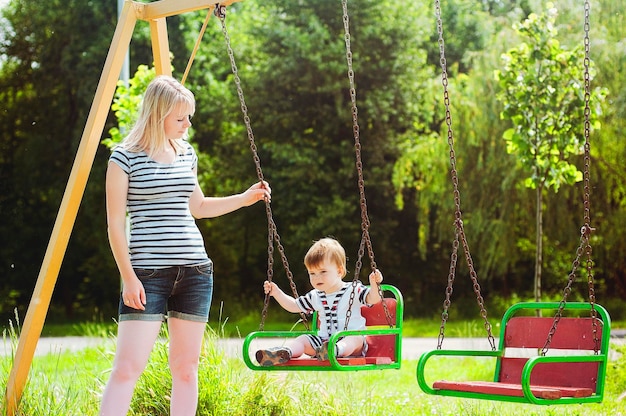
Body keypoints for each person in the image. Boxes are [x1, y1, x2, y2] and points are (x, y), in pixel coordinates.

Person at [100, 75, 271, 416]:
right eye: (180, 118)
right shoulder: (124, 158)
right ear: (157, 114)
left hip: (195, 271)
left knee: (186, 368)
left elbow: (199, 207)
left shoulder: (185, 153)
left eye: (188, 116)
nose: (187, 124)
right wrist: (129, 278)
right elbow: (115, 224)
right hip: (147, 275)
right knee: (127, 368)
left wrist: (244, 199)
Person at [255, 237, 383, 366]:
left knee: (354, 339)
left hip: (352, 343)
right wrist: (276, 293)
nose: (317, 277)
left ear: (339, 271)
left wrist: (375, 285)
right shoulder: (315, 296)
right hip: (322, 344)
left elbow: (373, 298)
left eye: (323, 271)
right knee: (304, 339)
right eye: (312, 273)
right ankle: (284, 353)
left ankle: (334, 350)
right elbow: (294, 305)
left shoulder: (353, 289)